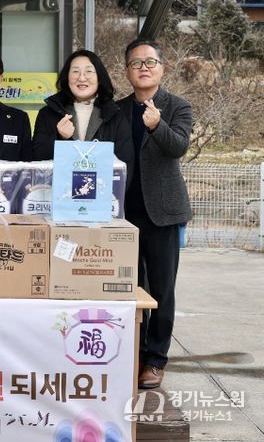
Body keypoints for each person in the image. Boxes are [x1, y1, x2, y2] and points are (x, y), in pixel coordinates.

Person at [118, 38, 193, 389]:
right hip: (124, 213)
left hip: (163, 212)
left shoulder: (177, 106)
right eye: (136, 63)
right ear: (127, 71)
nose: (143, 68)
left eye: (150, 62)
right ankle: (132, 353)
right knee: (129, 287)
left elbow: (178, 146)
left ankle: (156, 359)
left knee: (162, 289)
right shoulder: (117, 109)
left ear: (162, 67)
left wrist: (156, 125)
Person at [32, 49, 133, 183]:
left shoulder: (114, 114)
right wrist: (59, 137)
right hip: (57, 193)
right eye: (75, 71)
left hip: (102, 193)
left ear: (99, 78)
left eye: (89, 71)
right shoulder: (48, 113)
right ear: (67, 77)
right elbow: (36, 158)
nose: (82, 78)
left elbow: (125, 164)